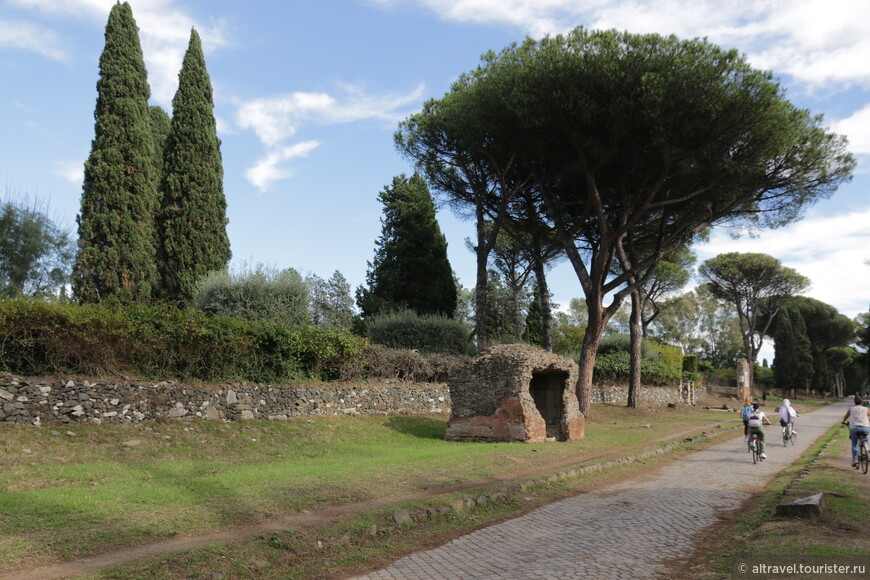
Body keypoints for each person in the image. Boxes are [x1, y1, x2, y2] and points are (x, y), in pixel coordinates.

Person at [841, 395, 870, 469]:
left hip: (854, 428)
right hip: (865, 427)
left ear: (854, 402)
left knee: (854, 444)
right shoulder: (866, 409)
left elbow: (846, 416)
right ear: (862, 402)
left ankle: (855, 460)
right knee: (867, 438)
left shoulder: (851, 409)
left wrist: (844, 422)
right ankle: (868, 449)